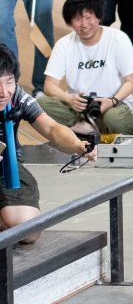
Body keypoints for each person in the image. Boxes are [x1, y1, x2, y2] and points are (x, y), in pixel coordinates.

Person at [1, 44, 94, 243]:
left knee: (27, 231)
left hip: (7, 165)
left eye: (9, 82)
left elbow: (51, 128)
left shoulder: (17, 96)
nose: (4, 92)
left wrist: (78, 144)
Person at [39, 0, 133, 136]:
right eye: (77, 19)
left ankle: (94, 127)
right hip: (79, 106)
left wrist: (112, 100)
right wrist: (69, 99)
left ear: (98, 17)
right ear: (70, 22)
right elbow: (49, 85)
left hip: (113, 103)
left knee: (114, 119)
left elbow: (131, 82)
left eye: (88, 18)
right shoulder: (63, 44)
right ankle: (85, 126)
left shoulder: (118, 39)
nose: (84, 24)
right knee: (39, 104)